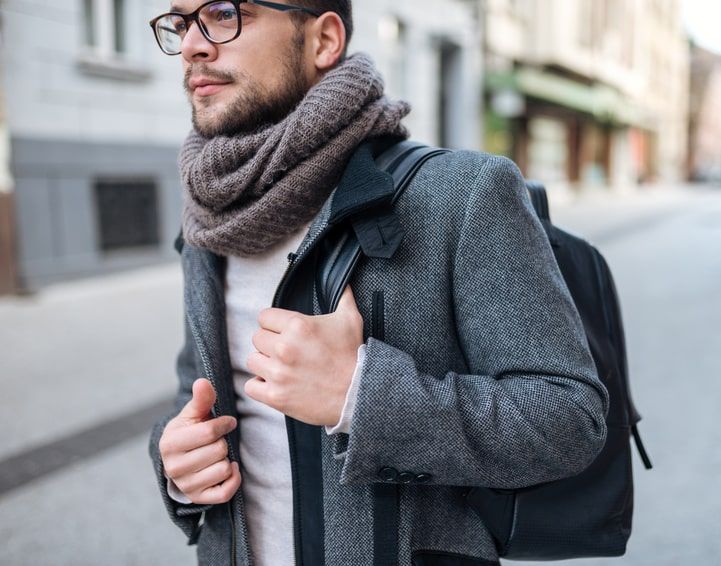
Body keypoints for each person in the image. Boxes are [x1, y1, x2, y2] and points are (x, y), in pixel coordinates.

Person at [146, 1, 610, 565]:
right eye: (180, 23)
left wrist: (361, 396)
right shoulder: (209, 220)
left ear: (323, 40)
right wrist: (176, 463)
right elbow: (192, 394)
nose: (192, 45)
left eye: (224, 13)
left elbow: (571, 419)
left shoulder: (461, 194)